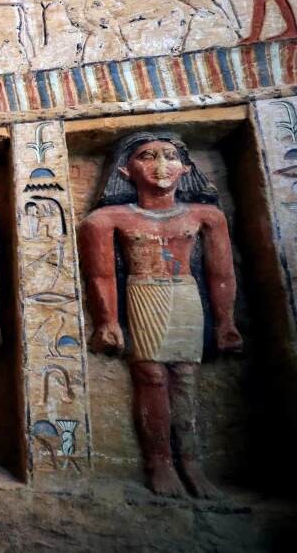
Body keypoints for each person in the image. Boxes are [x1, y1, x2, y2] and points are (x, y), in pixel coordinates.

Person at [78, 131, 243, 498]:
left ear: (185, 168)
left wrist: (226, 321)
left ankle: (192, 462)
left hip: (185, 293)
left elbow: (221, 273)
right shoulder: (106, 219)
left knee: (185, 376)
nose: (160, 165)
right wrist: (107, 321)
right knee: (151, 375)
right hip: (142, 292)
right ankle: (159, 462)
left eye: (169, 156)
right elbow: (101, 275)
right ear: (125, 169)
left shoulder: (207, 216)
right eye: (147, 156)